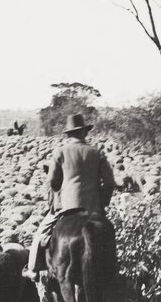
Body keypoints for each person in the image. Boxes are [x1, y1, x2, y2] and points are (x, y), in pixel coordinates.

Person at [23, 113, 116, 281]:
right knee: (109, 233)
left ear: (68, 134)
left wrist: (61, 195)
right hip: (93, 208)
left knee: (40, 233)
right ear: (84, 133)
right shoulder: (97, 152)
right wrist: (101, 204)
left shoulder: (60, 152)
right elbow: (109, 183)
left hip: (67, 208)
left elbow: (52, 181)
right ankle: (114, 272)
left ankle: (33, 269)